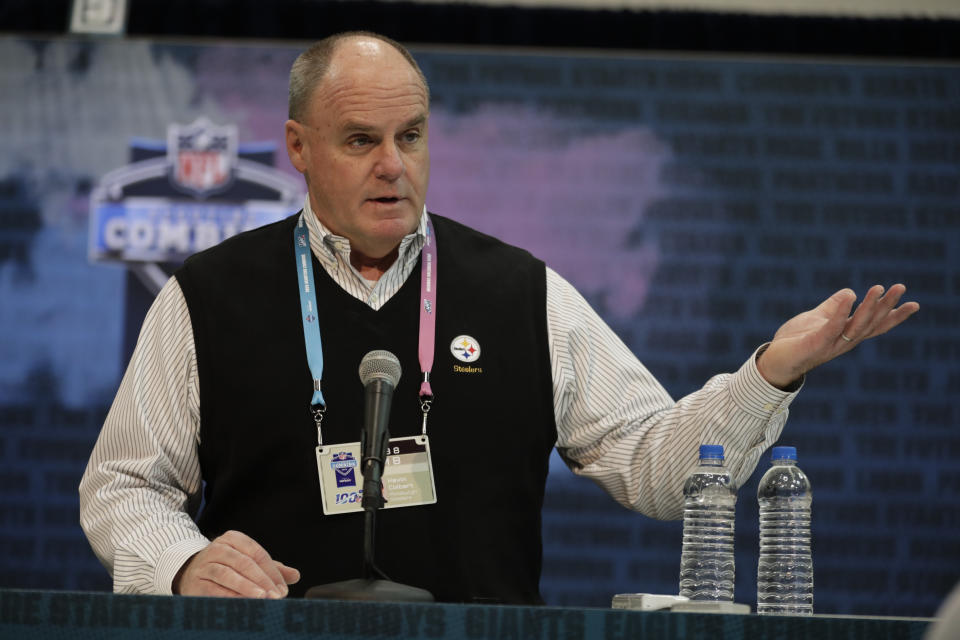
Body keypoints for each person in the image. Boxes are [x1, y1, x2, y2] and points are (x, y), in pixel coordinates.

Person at [79, 31, 919, 603]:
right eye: (360, 140)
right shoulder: (207, 295)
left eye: (411, 136)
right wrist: (184, 561)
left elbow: (660, 467)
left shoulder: (521, 293)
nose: (393, 166)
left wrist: (771, 370)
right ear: (298, 148)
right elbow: (122, 485)